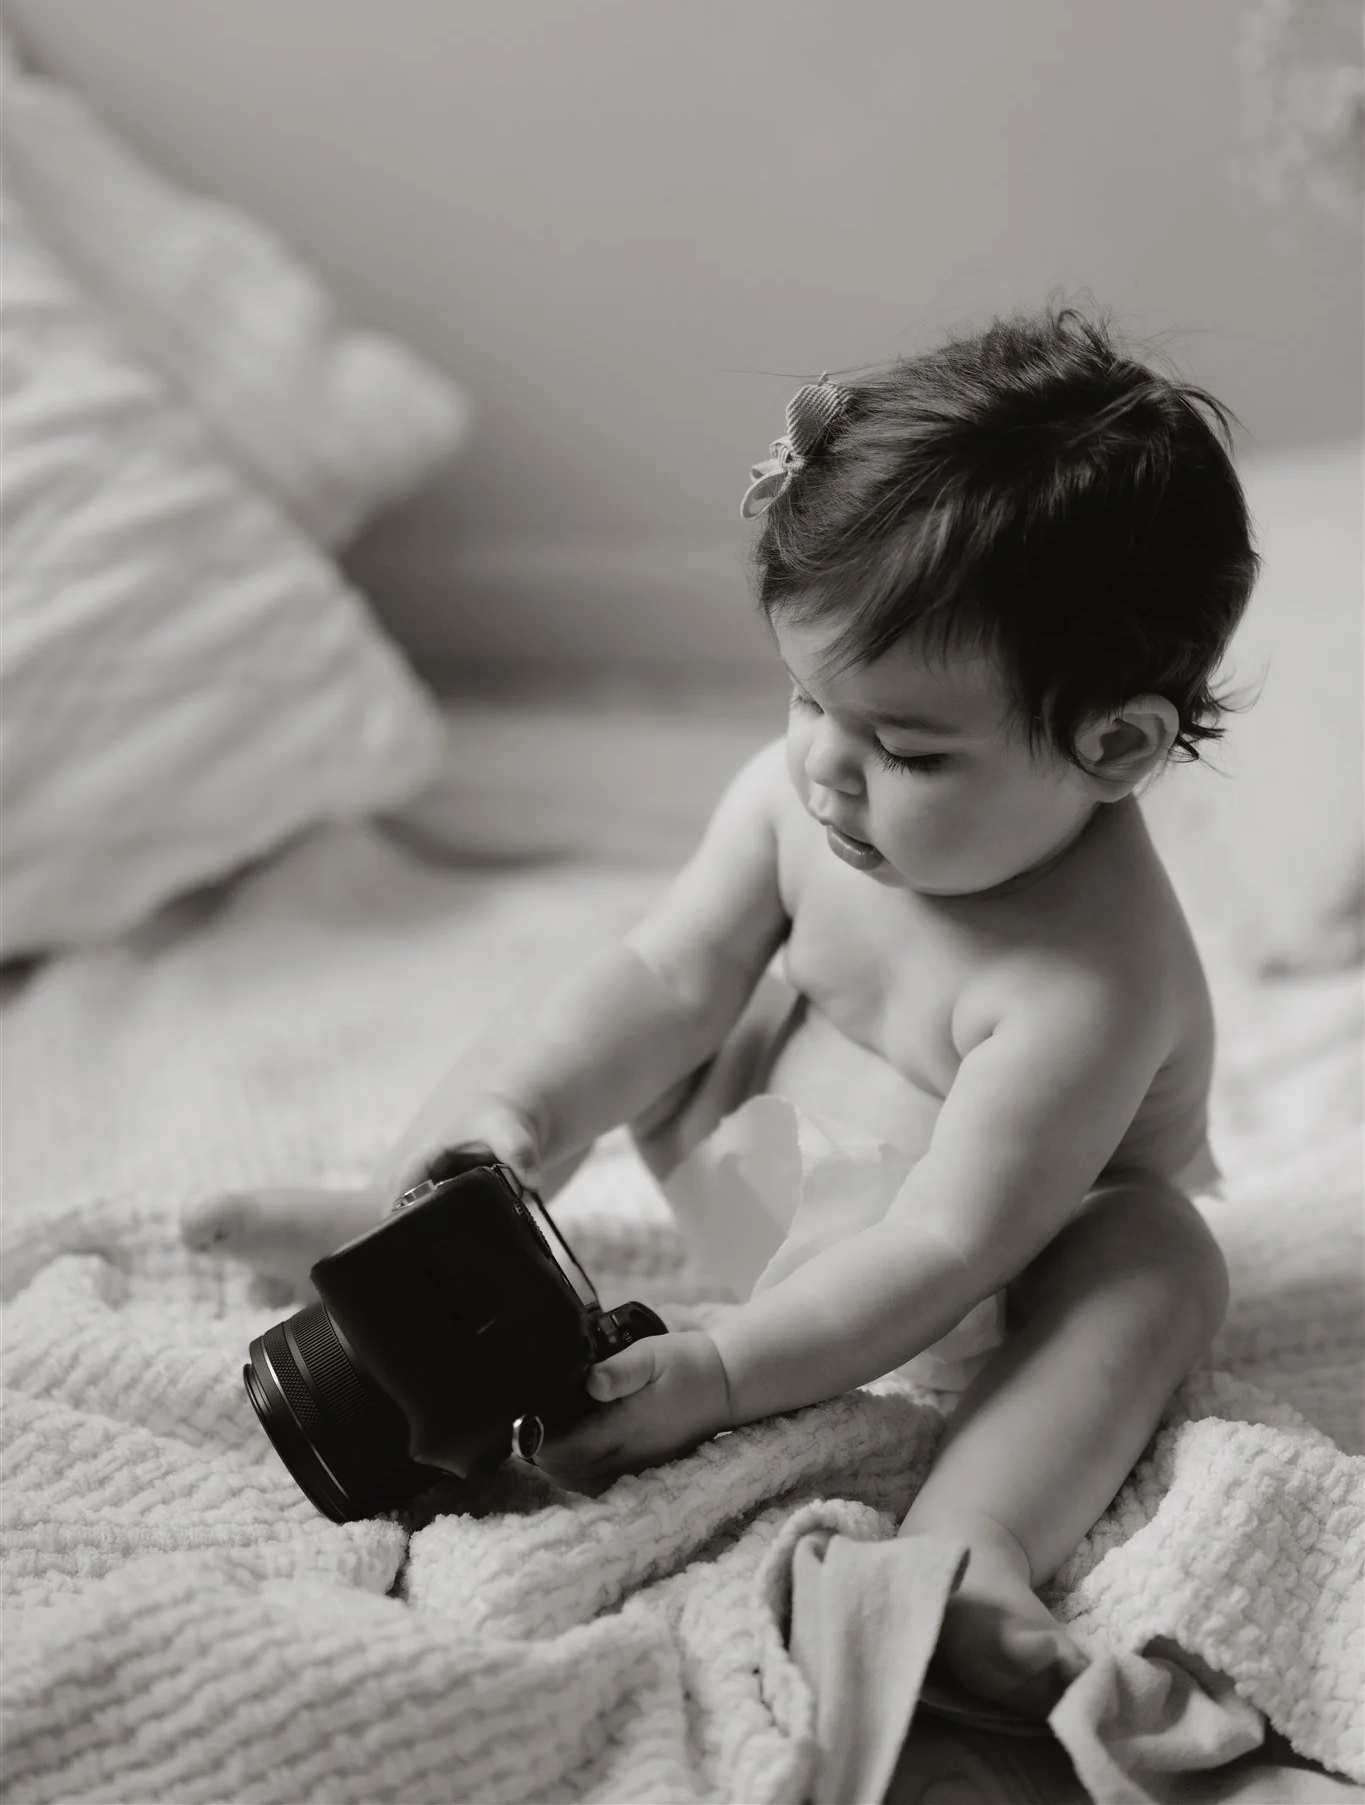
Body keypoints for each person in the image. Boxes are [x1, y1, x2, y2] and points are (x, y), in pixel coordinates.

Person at [187, 302, 1258, 1719]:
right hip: (758, 1176)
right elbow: (670, 979)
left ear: (1113, 745)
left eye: (906, 749)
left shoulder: (1088, 986)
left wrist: (723, 1372)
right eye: (807, 698)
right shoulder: (801, 800)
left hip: (964, 1296)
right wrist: (523, 1118)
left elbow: (948, 1242)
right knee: (604, 998)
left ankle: (970, 1539)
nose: (826, 769)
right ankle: (413, 1224)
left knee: (1155, 1259)